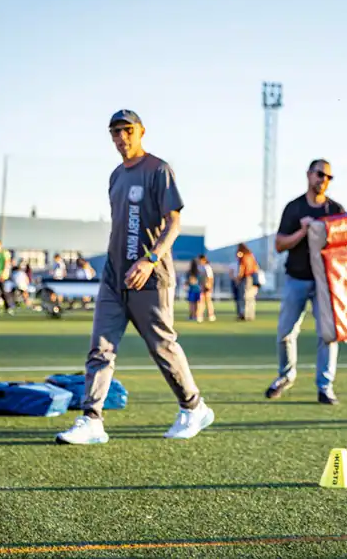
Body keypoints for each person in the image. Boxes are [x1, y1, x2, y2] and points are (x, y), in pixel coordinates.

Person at [55, 109, 214, 445]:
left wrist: (149, 260)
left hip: (151, 277)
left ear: (142, 131)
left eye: (127, 130)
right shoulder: (115, 176)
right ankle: (92, 419)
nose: (121, 138)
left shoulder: (159, 170)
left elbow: (174, 225)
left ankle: (194, 406)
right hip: (114, 278)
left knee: (162, 347)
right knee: (100, 348)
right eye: (114, 132)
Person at [264, 159, 346, 405]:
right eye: (320, 174)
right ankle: (285, 376)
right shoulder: (294, 208)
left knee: (328, 335)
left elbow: (345, 248)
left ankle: (325, 386)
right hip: (296, 278)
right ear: (309, 175)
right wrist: (303, 232)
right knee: (285, 333)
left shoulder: (336, 210)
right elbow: (279, 245)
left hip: (326, 284)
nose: (324, 180)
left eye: (329, 177)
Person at [234, 243, 261, 321]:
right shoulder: (251, 256)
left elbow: (242, 268)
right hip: (253, 277)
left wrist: (238, 278)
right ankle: (250, 315)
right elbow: (256, 267)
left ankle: (243, 314)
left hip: (246, 277)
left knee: (244, 297)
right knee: (251, 298)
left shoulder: (243, 256)